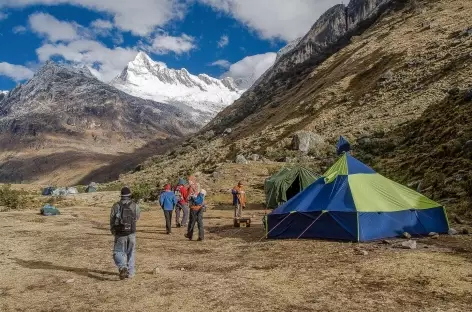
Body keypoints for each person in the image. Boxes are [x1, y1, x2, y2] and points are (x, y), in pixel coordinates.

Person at [110, 187, 140, 280]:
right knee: (131, 252)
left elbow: (112, 220)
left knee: (118, 252)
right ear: (129, 195)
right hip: (132, 232)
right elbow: (137, 217)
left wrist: (113, 231)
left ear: (121, 195)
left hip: (120, 233)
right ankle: (131, 273)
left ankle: (123, 267)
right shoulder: (135, 205)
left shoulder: (115, 206)